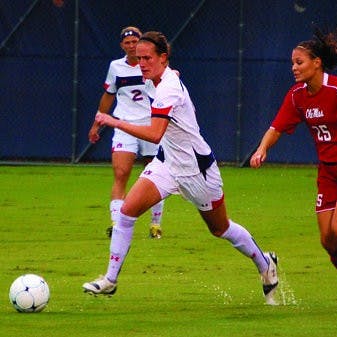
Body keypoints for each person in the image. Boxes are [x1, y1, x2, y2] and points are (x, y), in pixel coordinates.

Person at [83, 31, 279, 304]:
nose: (142, 63)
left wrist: (113, 121)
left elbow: (154, 133)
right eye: (139, 58)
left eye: (147, 58)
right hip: (167, 164)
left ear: (163, 57)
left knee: (220, 229)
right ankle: (110, 280)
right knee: (127, 212)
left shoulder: (168, 88)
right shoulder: (159, 77)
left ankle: (265, 263)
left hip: (197, 171)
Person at [250, 28, 337, 311]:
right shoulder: (297, 96)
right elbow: (277, 127)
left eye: (299, 62)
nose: (294, 67)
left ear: (317, 62)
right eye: (292, 62)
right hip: (328, 172)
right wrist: (262, 148)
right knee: (329, 241)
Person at [88, 26, 165, 239]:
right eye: (127, 43)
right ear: (122, 45)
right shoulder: (116, 67)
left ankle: (155, 224)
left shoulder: (150, 64)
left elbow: (165, 91)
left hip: (150, 125)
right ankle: (116, 224)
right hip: (124, 125)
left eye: (135, 42)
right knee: (121, 174)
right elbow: (108, 95)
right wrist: (97, 124)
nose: (131, 46)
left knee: (156, 175)